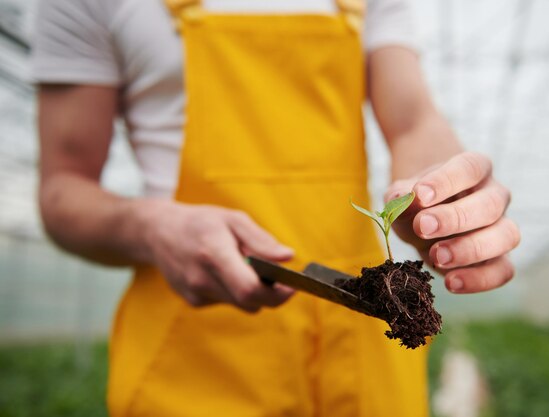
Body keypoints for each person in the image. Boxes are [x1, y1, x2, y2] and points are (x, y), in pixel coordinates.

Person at [32, 0, 520, 416]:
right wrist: (151, 225)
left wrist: (438, 196)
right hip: (196, 356)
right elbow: (63, 188)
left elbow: (412, 120)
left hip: (362, 340)